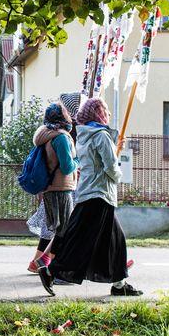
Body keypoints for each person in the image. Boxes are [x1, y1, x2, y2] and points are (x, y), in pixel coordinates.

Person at [37, 98, 142, 297]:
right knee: (82, 241)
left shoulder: (84, 135)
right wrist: (119, 177)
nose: (108, 114)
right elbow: (110, 166)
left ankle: (119, 285)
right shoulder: (101, 135)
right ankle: (50, 271)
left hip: (87, 192)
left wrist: (114, 144)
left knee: (114, 240)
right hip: (100, 194)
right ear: (98, 114)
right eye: (105, 110)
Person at [26, 102, 78, 279]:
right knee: (65, 229)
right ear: (62, 117)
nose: (69, 116)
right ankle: (45, 263)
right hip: (61, 188)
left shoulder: (46, 134)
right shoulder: (61, 137)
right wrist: (77, 161)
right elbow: (67, 166)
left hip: (50, 188)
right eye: (65, 113)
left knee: (59, 229)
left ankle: (43, 261)